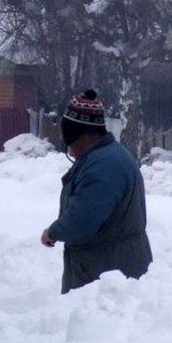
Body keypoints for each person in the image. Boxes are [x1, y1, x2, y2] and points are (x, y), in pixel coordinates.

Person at [40, 89, 153, 293]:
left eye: (69, 139)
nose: (69, 147)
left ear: (82, 134)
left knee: (101, 325)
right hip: (113, 266)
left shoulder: (103, 165)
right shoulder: (106, 157)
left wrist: (53, 232)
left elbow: (83, 218)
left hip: (107, 275)